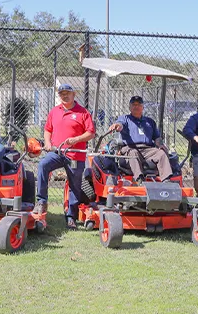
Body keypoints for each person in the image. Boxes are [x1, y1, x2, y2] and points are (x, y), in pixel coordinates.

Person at [34, 83, 96, 229]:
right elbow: (48, 129)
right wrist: (48, 142)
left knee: (75, 184)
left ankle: (70, 217)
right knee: (43, 165)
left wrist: (76, 139)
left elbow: (91, 133)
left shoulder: (83, 112)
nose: (64, 95)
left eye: (67, 93)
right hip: (57, 152)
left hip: (75, 155)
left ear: (74, 94)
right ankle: (41, 202)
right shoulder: (54, 111)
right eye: (62, 93)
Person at [108, 95, 173, 183]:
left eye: (139, 104)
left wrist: (160, 145)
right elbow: (120, 124)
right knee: (133, 153)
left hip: (147, 149)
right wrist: (117, 126)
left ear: (142, 107)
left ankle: (166, 180)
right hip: (130, 147)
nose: (136, 106)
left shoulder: (150, 122)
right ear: (130, 107)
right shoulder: (125, 118)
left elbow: (157, 138)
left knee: (161, 153)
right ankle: (139, 180)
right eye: (133, 104)